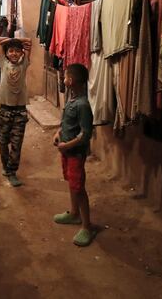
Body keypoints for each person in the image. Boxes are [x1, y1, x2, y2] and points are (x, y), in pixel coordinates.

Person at [52, 63, 95, 247]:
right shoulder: (72, 98)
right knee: (71, 182)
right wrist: (58, 133)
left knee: (78, 187)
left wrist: (67, 145)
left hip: (75, 153)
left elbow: (85, 135)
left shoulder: (83, 105)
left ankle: (87, 227)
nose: (63, 79)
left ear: (70, 80)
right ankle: (74, 213)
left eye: (65, 76)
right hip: (66, 150)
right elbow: (66, 122)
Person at [0, 37, 32, 187]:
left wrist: (21, 42)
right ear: (6, 53)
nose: (14, 53)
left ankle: (12, 172)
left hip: (20, 112)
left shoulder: (24, 64)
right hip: (4, 110)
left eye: (17, 51)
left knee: (17, 143)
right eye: (11, 50)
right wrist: (12, 40)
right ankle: (5, 166)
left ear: (22, 53)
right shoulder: (3, 63)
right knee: (3, 142)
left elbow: (29, 42)